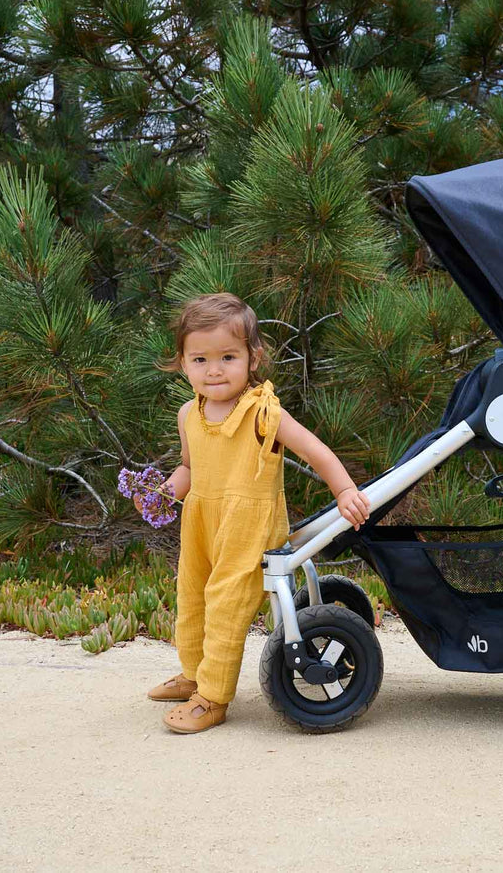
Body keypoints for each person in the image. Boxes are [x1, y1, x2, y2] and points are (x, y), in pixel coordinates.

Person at [140, 292, 371, 734]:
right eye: (200, 359)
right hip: (202, 522)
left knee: (225, 605)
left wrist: (344, 490)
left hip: (248, 527)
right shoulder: (189, 413)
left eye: (228, 357)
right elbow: (189, 468)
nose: (214, 370)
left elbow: (316, 451)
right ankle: (193, 674)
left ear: (253, 358)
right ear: (183, 363)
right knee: (192, 597)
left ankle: (213, 696)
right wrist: (162, 495)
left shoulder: (263, 413)